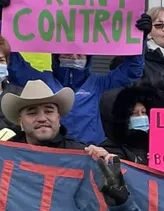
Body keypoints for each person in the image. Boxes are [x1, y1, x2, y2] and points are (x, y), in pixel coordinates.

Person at [8, 14, 151, 145]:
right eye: (68, 52)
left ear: (89, 56)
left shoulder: (97, 82)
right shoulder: (42, 79)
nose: (74, 57)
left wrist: (139, 38)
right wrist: (4, 21)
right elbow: (14, 67)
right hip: (53, 149)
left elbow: (131, 71)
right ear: (56, 55)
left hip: (91, 151)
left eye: (80, 53)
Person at [112, 6, 164, 108]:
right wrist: (163, 80)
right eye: (159, 25)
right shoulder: (138, 57)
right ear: (149, 32)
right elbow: (131, 87)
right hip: (158, 119)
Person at [2, 80, 87, 149]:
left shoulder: (81, 154)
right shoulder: (5, 154)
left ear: (58, 118)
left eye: (49, 111)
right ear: (21, 122)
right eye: (32, 113)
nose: (42, 118)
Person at [100, 84, 163, 164]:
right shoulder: (112, 147)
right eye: (135, 113)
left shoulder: (157, 146)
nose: (141, 117)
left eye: (144, 112)